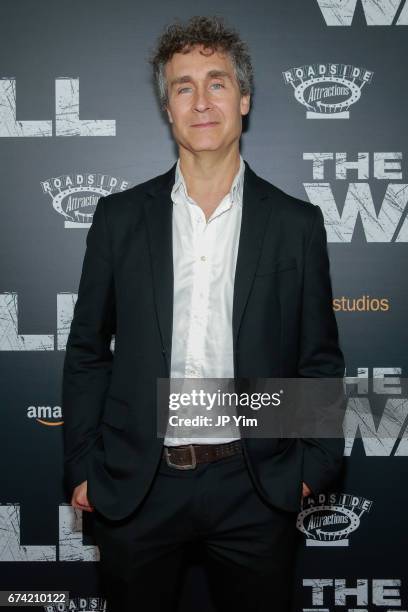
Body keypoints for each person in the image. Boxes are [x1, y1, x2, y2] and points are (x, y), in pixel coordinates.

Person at [62, 15, 345, 612]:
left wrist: (309, 471)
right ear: (168, 108)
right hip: (139, 485)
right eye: (183, 86)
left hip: (254, 484)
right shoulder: (119, 219)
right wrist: (84, 467)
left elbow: (317, 359)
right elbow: (88, 351)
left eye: (216, 82)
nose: (201, 100)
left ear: (243, 99)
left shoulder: (297, 224)